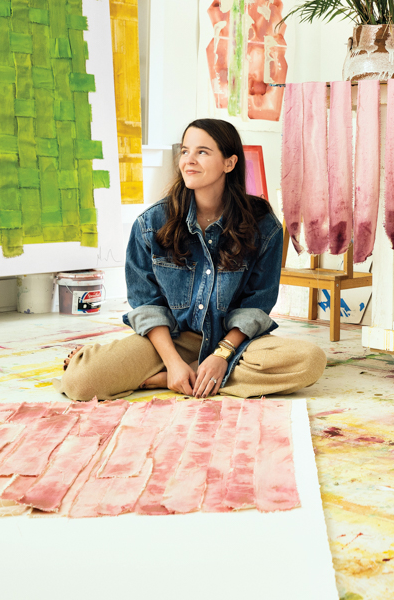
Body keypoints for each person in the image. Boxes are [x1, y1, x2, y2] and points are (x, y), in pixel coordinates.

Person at [61, 118, 326, 401]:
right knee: (81, 382)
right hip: (171, 340)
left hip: (233, 342)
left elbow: (256, 307)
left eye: (202, 152)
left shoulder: (263, 226)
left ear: (229, 162)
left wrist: (222, 354)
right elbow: (148, 305)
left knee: (310, 360)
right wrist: (174, 362)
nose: (189, 160)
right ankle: (184, 372)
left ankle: (181, 376)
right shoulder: (151, 224)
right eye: (185, 151)